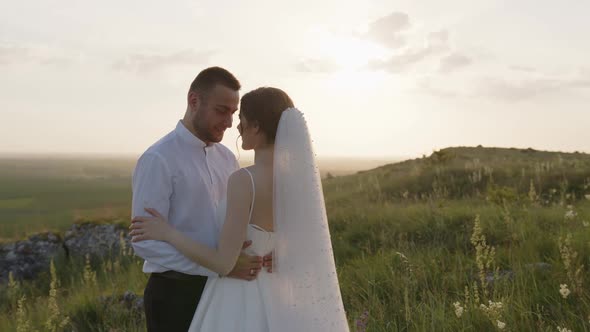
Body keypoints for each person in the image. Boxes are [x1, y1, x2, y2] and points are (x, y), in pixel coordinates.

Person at [131, 87, 350, 331]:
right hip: (272, 292)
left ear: (256, 126)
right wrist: (277, 254)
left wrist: (167, 232)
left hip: (237, 293)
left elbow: (224, 263)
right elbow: (303, 242)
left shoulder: (241, 177)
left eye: (240, 119)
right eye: (223, 112)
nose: (235, 127)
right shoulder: (296, 181)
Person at [130, 67, 271, 332]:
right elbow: (146, 244)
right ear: (194, 101)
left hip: (227, 290)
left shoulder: (228, 158)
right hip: (175, 297)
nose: (230, 123)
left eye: (233, 112)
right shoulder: (157, 159)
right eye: (221, 110)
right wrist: (219, 267)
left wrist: (253, 254)